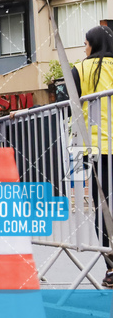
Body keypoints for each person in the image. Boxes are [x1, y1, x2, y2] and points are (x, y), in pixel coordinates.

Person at [70, 26, 113, 288]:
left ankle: (111, 266)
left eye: (85, 44)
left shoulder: (81, 69)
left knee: (103, 210)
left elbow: (68, 106)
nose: (84, 49)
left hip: (96, 150)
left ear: (92, 45)